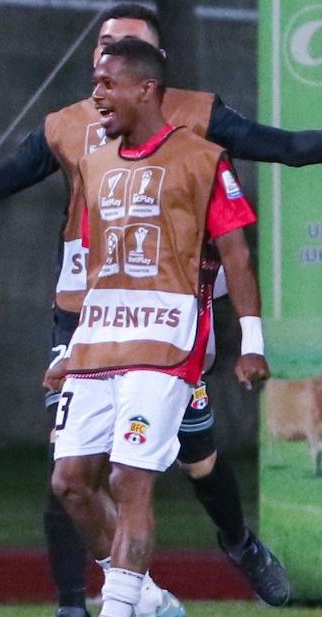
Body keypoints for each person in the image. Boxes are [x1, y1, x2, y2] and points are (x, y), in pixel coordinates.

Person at [0, 4, 297, 613]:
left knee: (195, 459)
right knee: (70, 472)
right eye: (103, 45)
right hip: (86, 320)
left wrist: (248, 336)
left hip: (170, 321)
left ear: (153, 71)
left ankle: (239, 544)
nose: (106, 56)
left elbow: (282, 157)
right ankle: (80, 602)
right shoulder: (72, 133)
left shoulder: (199, 126)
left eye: (125, 45)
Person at [52, 38, 269, 617]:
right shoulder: (93, 165)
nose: (96, 95)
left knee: (130, 476)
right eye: (94, 83)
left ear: (145, 89)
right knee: (70, 484)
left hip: (165, 343)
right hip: (98, 342)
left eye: (107, 83)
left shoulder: (202, 159)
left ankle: (119, 610)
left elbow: (237, 255)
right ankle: (146, 598)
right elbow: (94, 268)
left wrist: (251, 341)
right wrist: (67, 348)